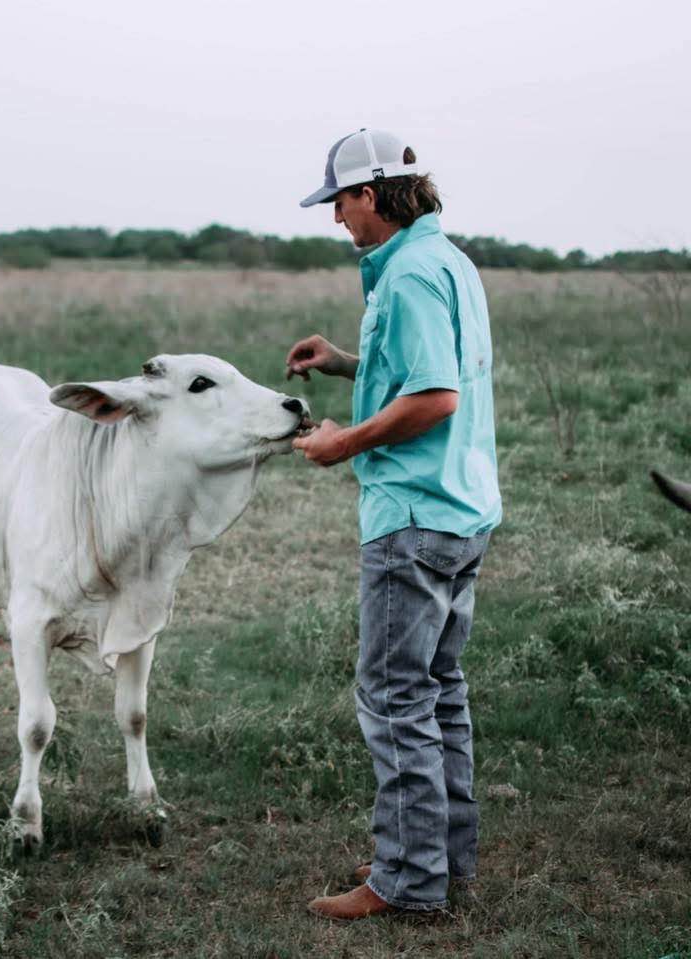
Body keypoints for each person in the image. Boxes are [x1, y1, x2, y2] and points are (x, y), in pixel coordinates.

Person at [287, 128, 502, 920]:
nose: (336, 217)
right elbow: (428, 369)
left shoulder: (407, 274)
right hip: (460, 509)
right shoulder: (446, 261)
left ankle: (408, 879)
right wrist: (344, 361)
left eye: (340, 201)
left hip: (412, 517)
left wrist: (342, 442)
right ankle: (443, 859)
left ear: (370, 195)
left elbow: (436, 397)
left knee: (393, 695)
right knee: (438, 690)